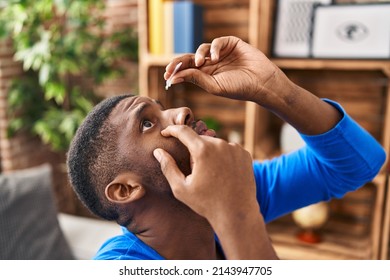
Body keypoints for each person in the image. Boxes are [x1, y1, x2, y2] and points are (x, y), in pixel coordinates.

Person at [66, 36, 386, 260]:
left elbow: (360, 163)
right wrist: (235, 212)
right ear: (125, 189)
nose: (181, 112)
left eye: (162, 107)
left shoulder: (230, 192)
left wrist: (273, 88)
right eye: (147, 123)